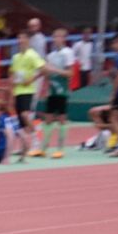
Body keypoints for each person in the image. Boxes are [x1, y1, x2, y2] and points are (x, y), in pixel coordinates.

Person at [40, 29, 75, 157]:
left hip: (62, 90)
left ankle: (60, 148)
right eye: (54, 37)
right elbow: (47, 73)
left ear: (64, 38)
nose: (56, 39)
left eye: (59, 37)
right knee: (47, 118)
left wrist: (55, 70)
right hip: (52, 90)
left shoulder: (68, 53)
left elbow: (70, 73)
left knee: (61, 118)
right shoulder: (51, 55)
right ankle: (44, 148)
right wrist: (46, 84)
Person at [9, 31, 45, 133]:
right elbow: (12, 73)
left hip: (28, 90)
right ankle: (28, 140)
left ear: (28, 40)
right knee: (21, 122)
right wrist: (12, 86)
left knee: (25, 114)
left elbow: (43, 69)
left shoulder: (32, 55)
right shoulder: (16, 57)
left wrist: (32, 79)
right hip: (17, 90)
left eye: (23, 38)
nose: (21, 41)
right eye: (19, 38)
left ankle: (35, 135)